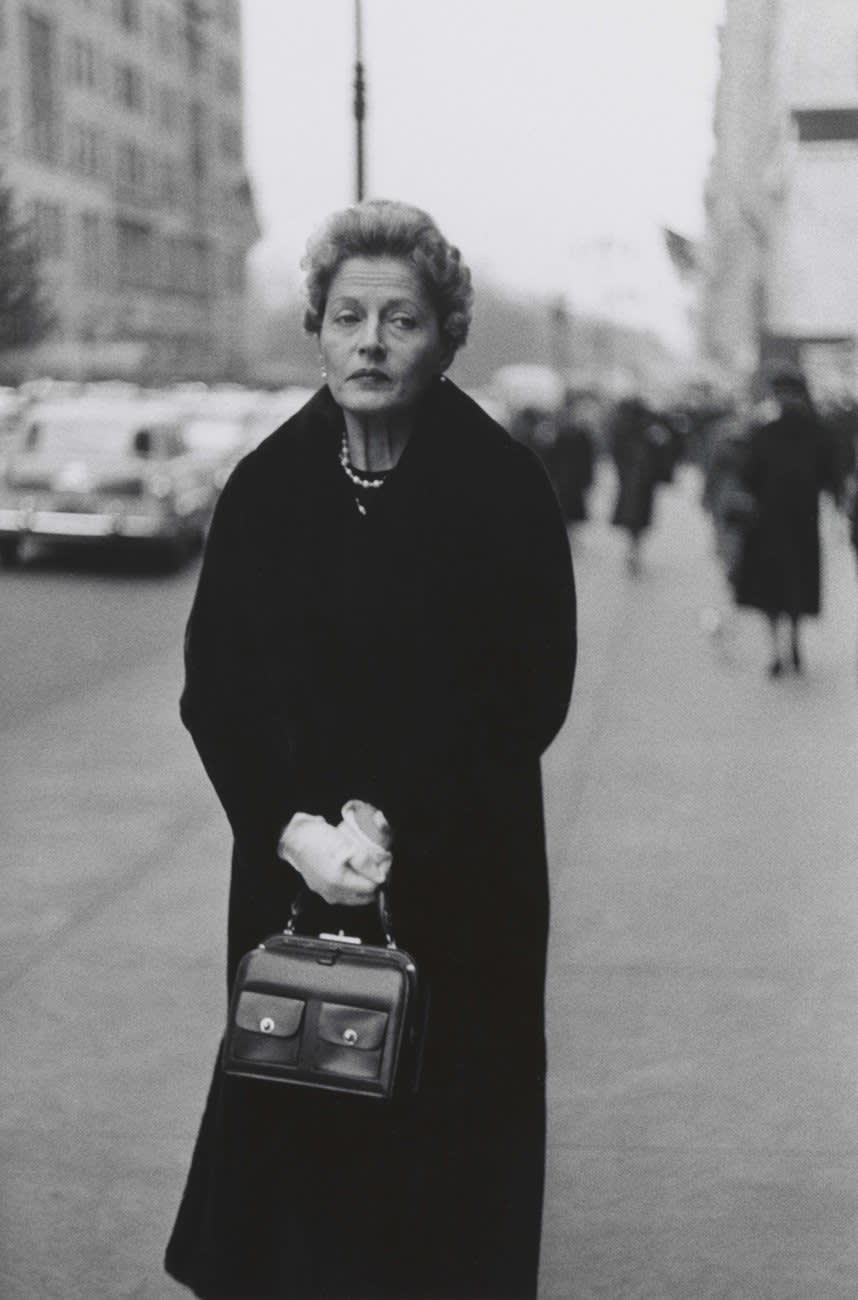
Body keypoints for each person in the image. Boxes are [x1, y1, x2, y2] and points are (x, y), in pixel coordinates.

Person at [164, 198, 577, 1300]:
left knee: (451, 1147)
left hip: (464, 877)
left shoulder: (502, 489)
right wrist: (292, 825)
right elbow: (218, 689)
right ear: (317, 328)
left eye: (401, 318)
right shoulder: (266, 487)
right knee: (301, 1113)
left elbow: (530, 691)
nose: (372, 341)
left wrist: (391, 820)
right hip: (293, 872)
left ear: (445, 334)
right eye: (348, 316)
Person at [734, 363, 836, 677]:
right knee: (795, 584)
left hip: (772, 521)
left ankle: (781, 648)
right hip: (799, 520)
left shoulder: (765, 431)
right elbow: (828, 475)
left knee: (773, 589)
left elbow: (748, 475)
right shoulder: (817, 431)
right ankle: (790, 644)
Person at [608, 395, 668, 575]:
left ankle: (634, 548)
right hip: (637, 481)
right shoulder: (644, 429)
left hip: (638, 481)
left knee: (635, 517)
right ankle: (634, 548)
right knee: (636, 517)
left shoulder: (635, 428)